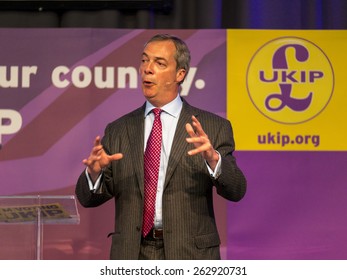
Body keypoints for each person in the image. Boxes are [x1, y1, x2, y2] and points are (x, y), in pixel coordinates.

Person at [75, 34, 246, 260]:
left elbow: (236, 190)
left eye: (159, 63)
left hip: (190, 254)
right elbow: (87, 199)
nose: (147, 68)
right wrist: (94, 174)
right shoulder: (118, 130)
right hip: (132, 255)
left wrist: (214, 160)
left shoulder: (212, 127)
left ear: (180, 74)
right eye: (144, 60)